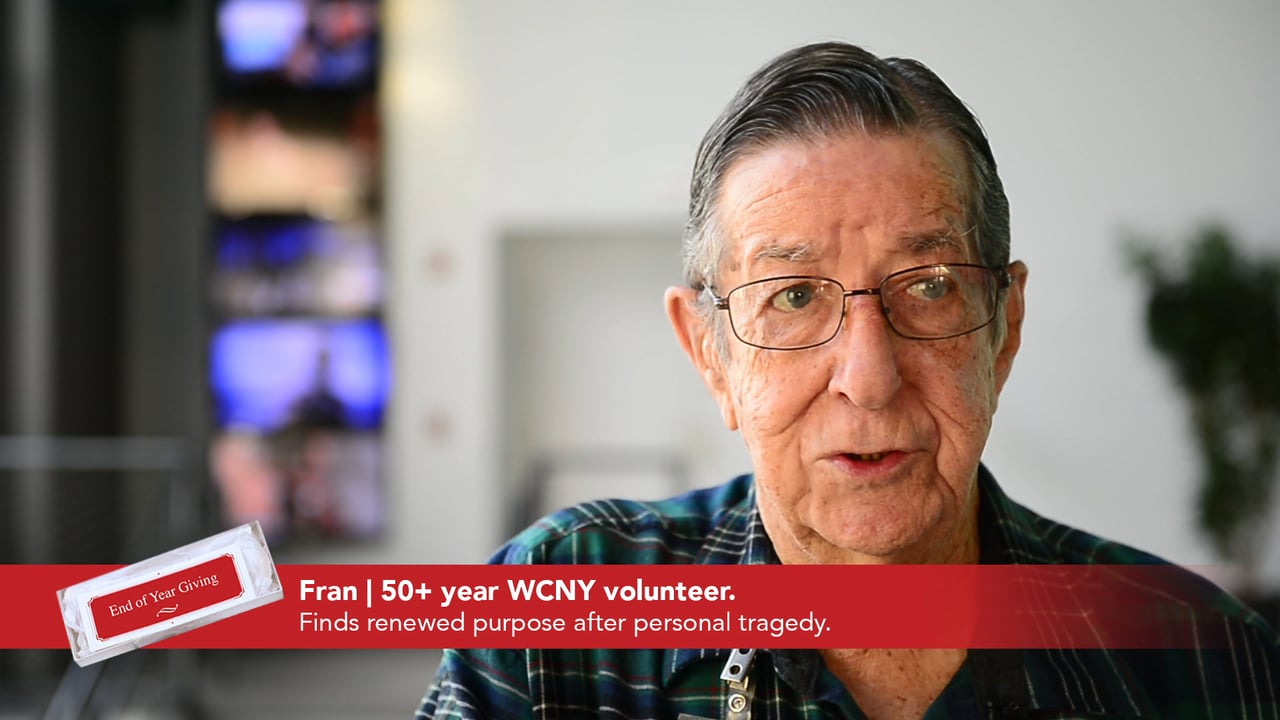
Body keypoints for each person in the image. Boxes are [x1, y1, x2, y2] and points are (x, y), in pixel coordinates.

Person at [418, 41, 1280, 719]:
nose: (868, 379)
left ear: (1005, 329)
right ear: (711, 354)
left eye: (929, 287)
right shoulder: (559, 631)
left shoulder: (1204, 661)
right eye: (793, 296)